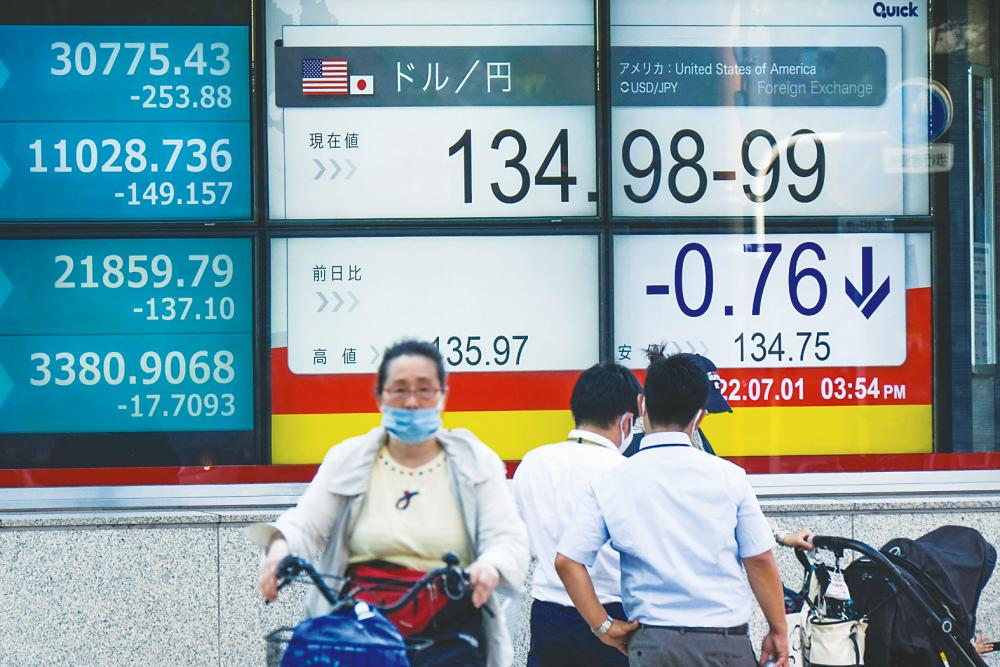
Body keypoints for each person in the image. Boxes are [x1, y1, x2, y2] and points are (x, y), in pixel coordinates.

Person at [249, 340, 530, 667]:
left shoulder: (474, 462)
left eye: (424, 389)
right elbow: (306, 524)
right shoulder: (349, 459)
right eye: (399, 390)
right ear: (380, 396)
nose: (411, 401)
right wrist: (280, 548)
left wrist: (490, 566)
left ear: (442, 394)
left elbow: (507, 538)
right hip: (362, 633)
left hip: (448, 632)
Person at [555, 351, 790, 667]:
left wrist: (603, 626)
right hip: (724, 644)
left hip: (653, 645)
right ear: (700, 416)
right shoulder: (730, 477)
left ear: (642, 405)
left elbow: (568, 561)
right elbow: (759, 559)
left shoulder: (611, 481)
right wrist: (778, 630)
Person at [512, 362, 641, 667]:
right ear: (626, 422)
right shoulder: (626, 472)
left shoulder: (533, 462)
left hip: (547, 614)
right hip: (612, 614)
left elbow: (520, 544)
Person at [625, 351, 814, 552]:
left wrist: (780, 535)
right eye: (702, 408)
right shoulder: (631, 450)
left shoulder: (695, 439)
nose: (705, 414)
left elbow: (734, 508)